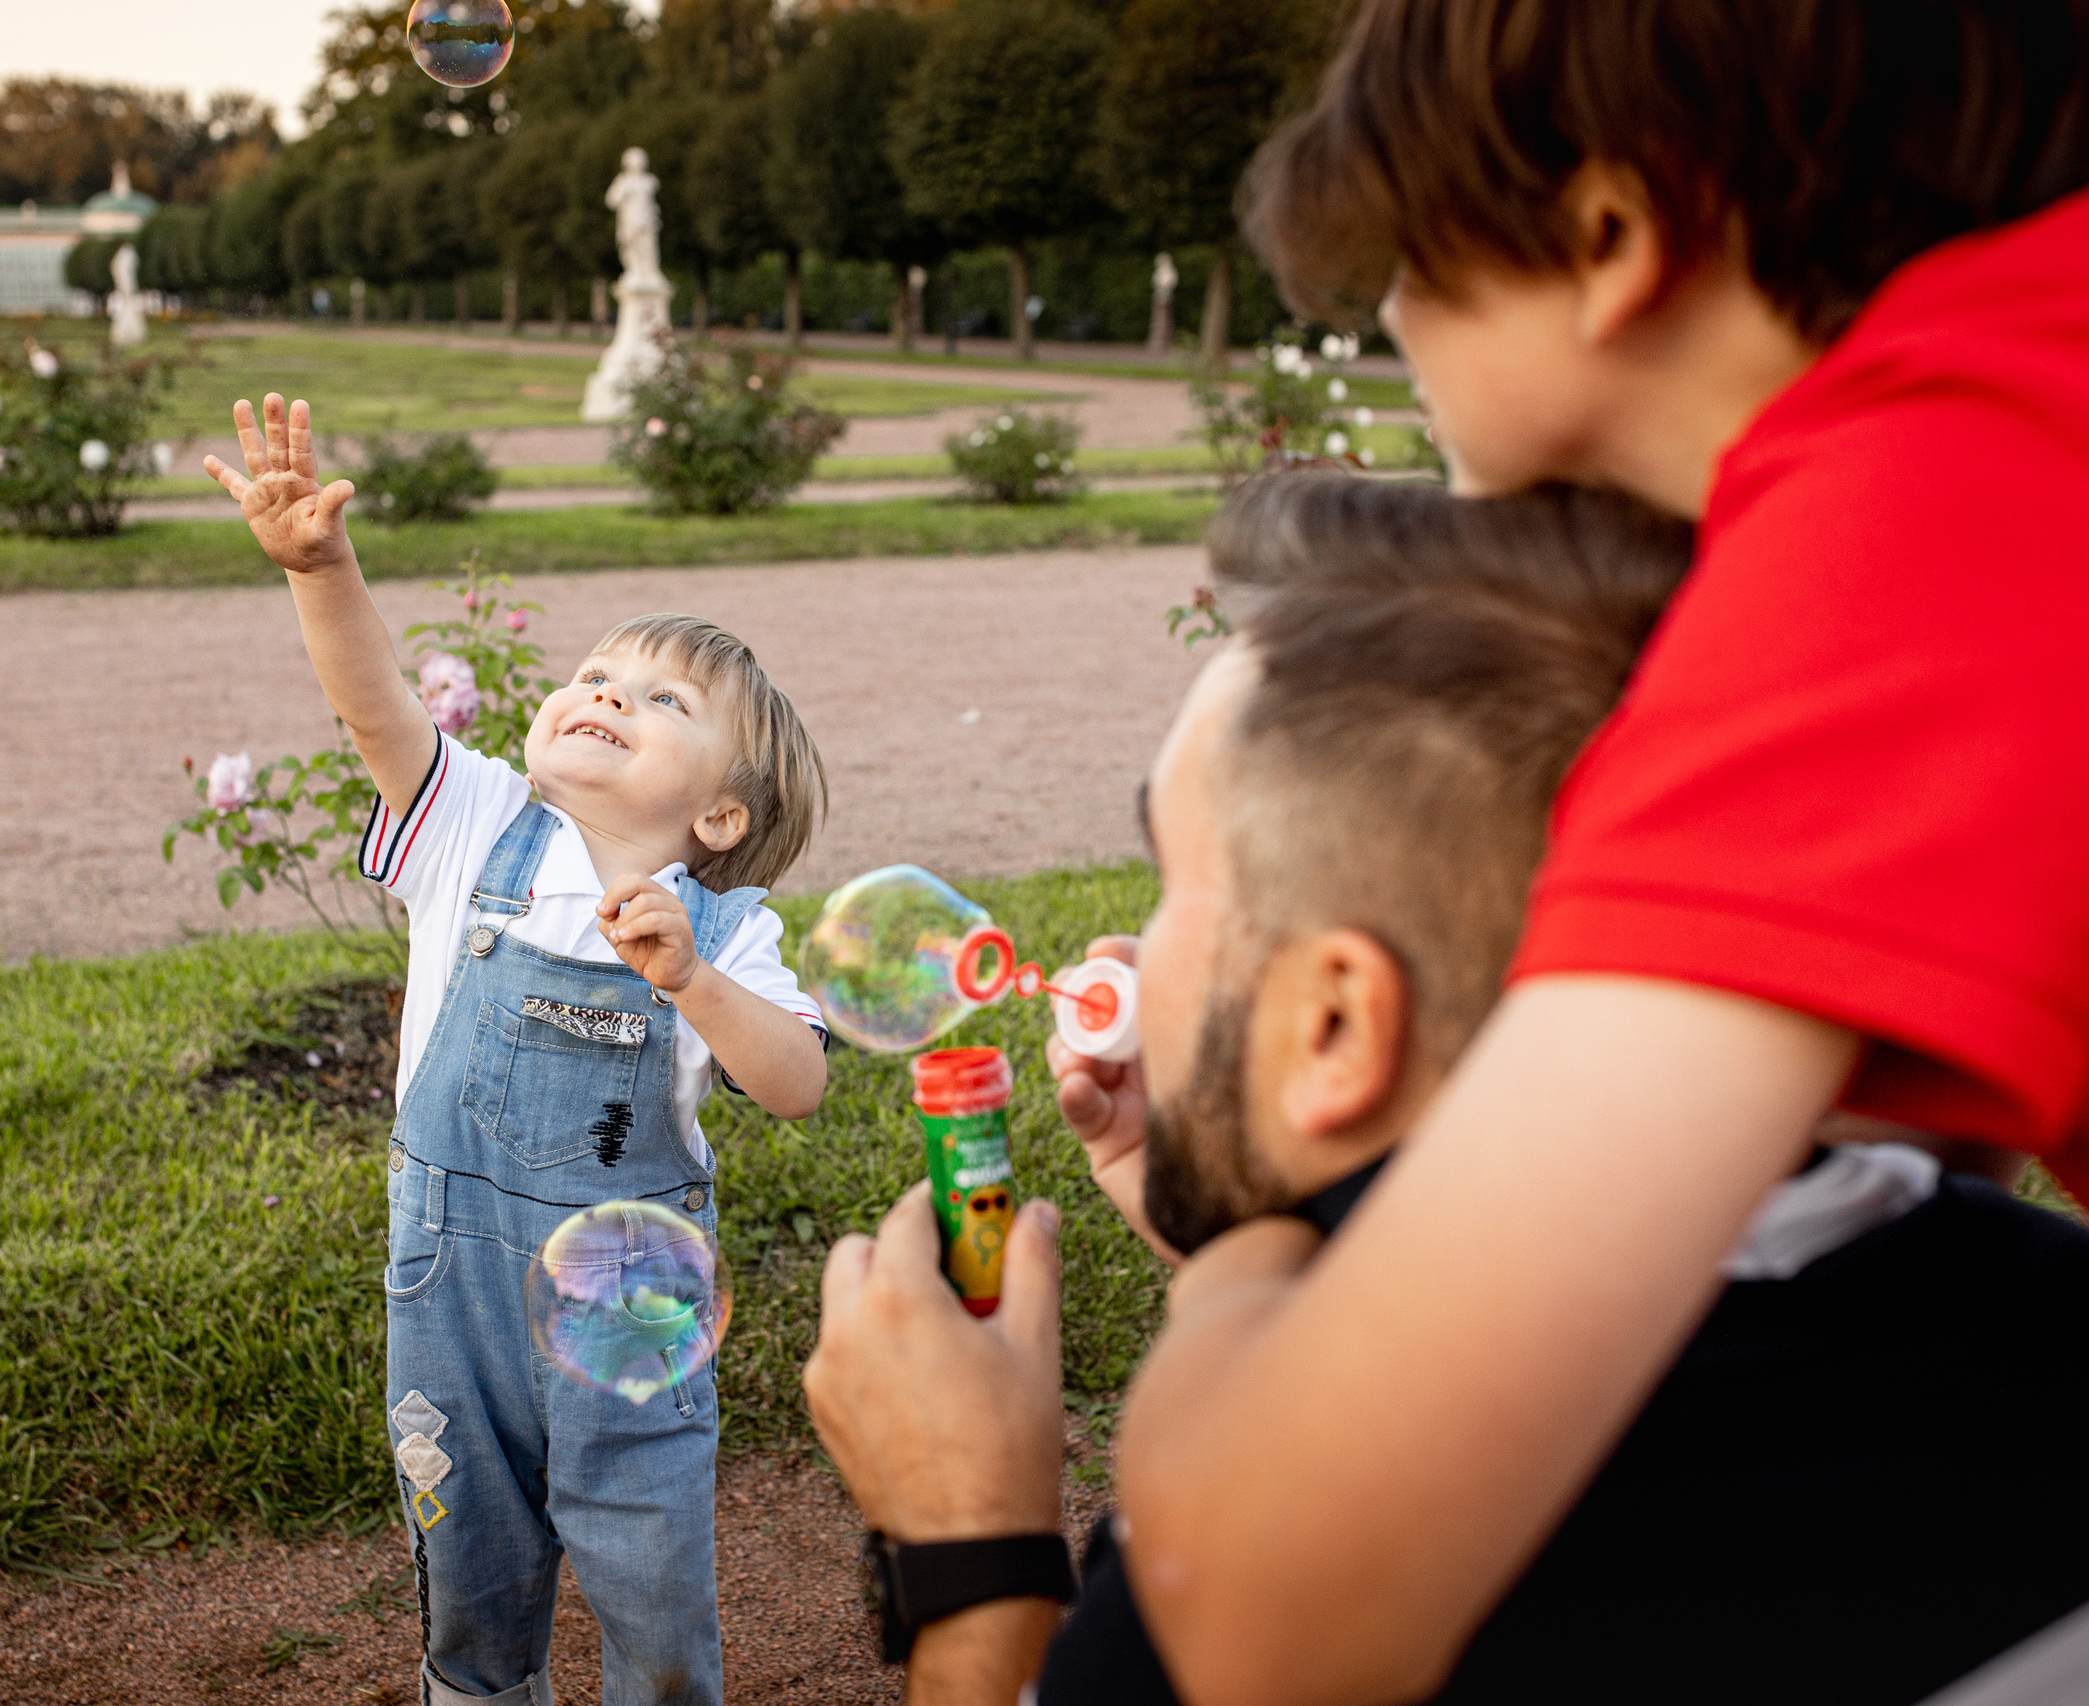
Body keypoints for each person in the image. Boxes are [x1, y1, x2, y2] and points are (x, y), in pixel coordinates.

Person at [805, 5, 2089, 1700]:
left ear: (1614, 236)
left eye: (1407, 265)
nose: (1387, 323)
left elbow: (1259, 1601)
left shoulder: (1920, 528)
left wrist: (1259, 1241)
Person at [1043, 473, 2089, 1702]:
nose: (1134, 952)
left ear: (1334, 1019)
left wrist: (962, 1544)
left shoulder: (1232, 1586)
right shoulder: (2037, 1305)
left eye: (1170, 881)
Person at [206, 394, 831, 1706]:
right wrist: (322, 568)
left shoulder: (728, 925)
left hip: (632, 1307)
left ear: (718, 810)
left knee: (653, 1581)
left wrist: (699, 982)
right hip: (452, 1293)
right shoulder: (475, 829)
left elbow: (798, 1082)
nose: (609, 691)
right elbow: (380, 711)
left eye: (663, 696)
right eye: (600, 672)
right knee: (471, 1582)